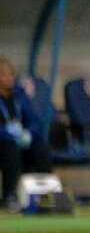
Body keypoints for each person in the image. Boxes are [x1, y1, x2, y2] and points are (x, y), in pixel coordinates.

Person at [0, 57, 53, 211]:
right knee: (11, 150)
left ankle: (45, 194)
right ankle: (9, 195)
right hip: (3, 143)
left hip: (20, 140)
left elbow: (34, 120)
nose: (9, 78)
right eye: (4, 75)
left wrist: (27, 133)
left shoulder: (20, 96)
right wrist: (9, 134)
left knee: (41, 148)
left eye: (11, 74)